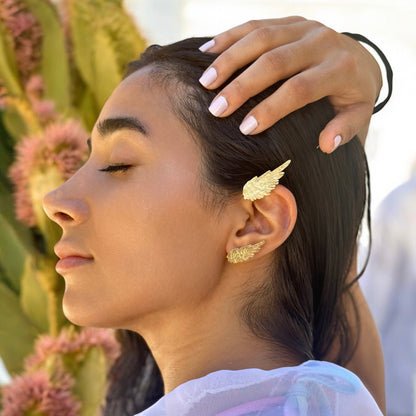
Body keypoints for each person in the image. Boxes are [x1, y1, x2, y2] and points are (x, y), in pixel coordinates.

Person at [42, 18, 387, 416]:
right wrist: (333, 163)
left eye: (119, 163)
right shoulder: (331, 400)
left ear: (253, 221)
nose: (56, 199)